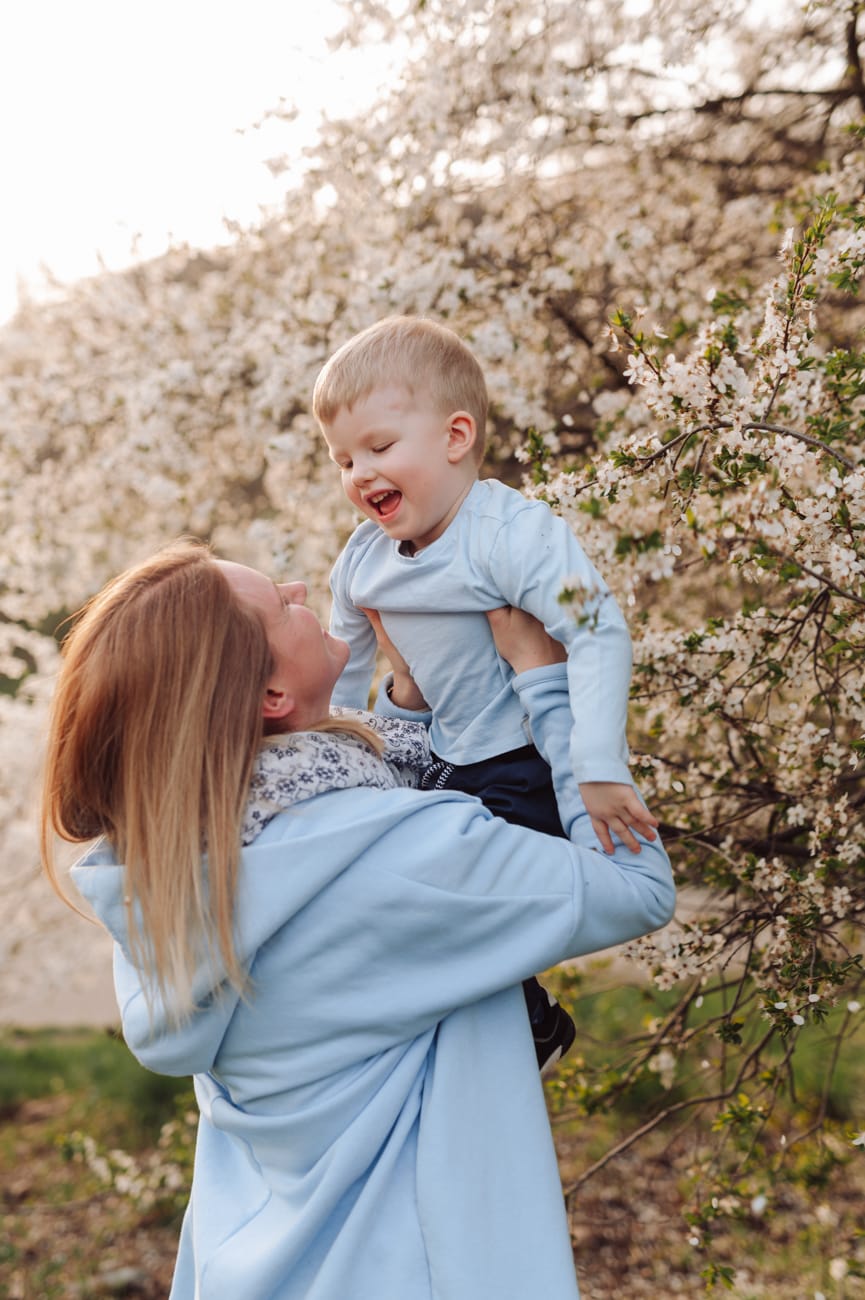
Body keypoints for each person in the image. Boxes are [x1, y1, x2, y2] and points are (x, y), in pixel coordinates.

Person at [41, 538, 675, 1300]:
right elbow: (634, 887)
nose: (301, 586)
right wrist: (544, 681)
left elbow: (351, 851)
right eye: (280, 604)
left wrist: (406, 695)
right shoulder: (409, 857)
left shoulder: (173, 884)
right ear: (272, 697)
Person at [313, 314, 659, 1068]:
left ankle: (526, 1024)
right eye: (342, 459)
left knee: (457, 897)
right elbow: (339, 671)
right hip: (442, 755)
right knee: (388, 894)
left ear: (455, 436)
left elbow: (597, 631)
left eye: (378, 447)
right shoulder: (364, 558)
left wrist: (597, 768)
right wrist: (334, 776)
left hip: (520, 756)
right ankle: (515, 1019)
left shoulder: (512, 535)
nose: (359, 474)